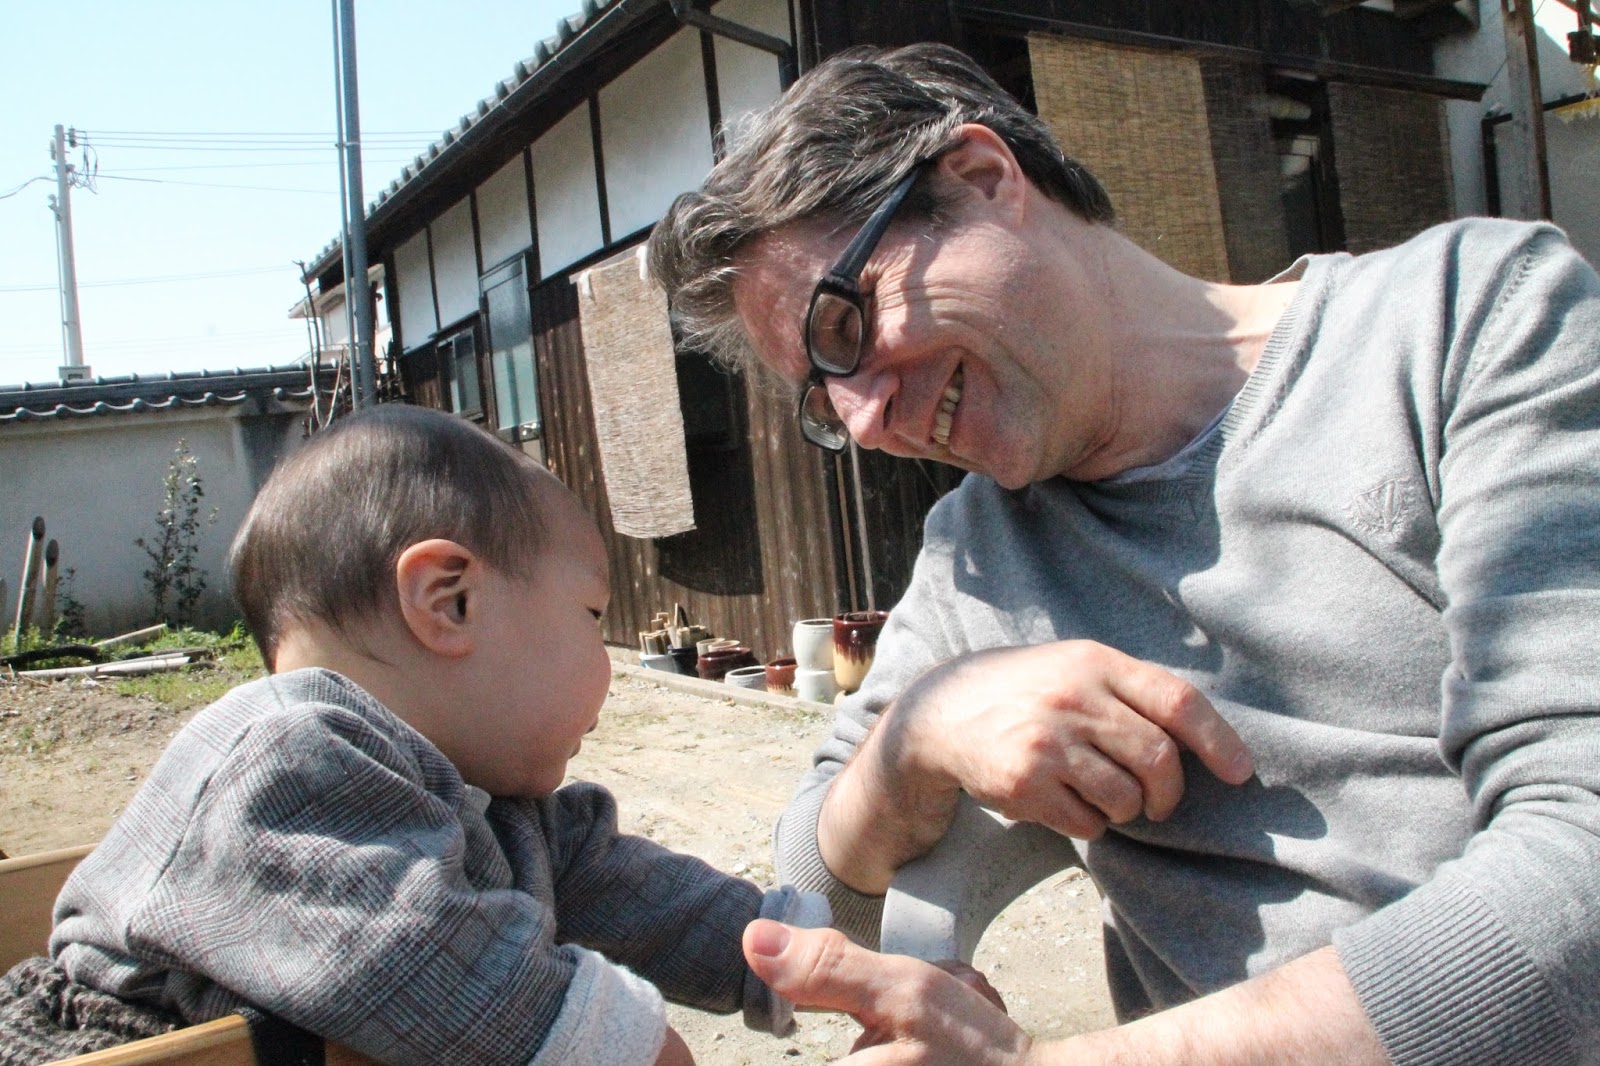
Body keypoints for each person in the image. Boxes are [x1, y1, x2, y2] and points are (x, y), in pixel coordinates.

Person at [648, 42, 1600, 1065]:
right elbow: (818, 893)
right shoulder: (981, 551)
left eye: (844, 328)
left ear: (983, 180)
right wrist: (910, 744)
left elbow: (1578, 864)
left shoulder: (1463, 321)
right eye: (823, 394)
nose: (865, 420)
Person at [0, 405, 829, 1066]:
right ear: (448, 602)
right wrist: (638, 1048)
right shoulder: (284, 760)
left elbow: (623, 889)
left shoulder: (485, 802)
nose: (605, 658)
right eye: (591, 615)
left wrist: (798, 953)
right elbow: (425, 960)